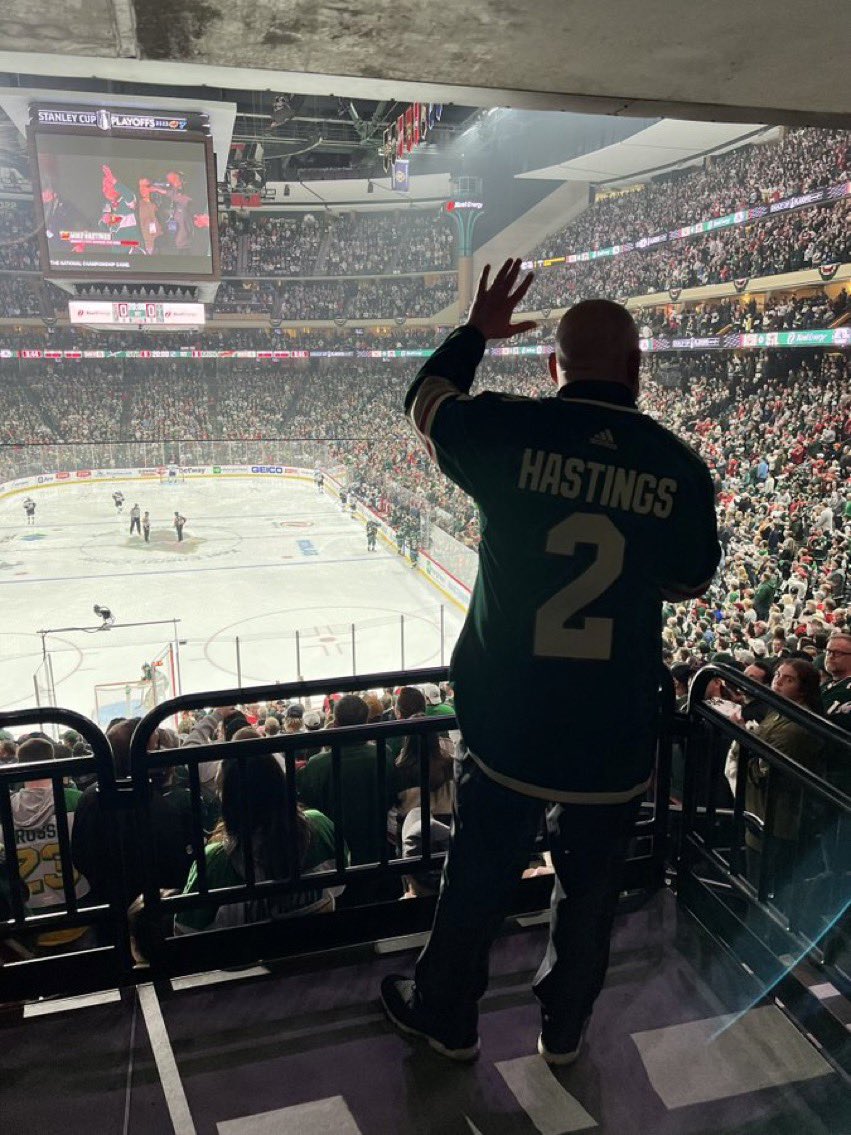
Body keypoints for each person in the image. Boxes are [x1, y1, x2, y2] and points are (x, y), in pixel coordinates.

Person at [380, 260, 720, 1063]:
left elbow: (424, 401)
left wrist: (473, 332)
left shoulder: (508, 428)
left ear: (550, 365)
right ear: (636, 368)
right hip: (612, 727)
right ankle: (562, 1030)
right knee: (591, 891)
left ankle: (447, 1015)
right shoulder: (678, 466)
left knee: (477, 876)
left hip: (510, 719)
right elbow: (688, 579)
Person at [175, 753, 340, 932]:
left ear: (228, 800)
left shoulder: (214, 863)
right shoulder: (320, 828)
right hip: (318, 950)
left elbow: (184, 930)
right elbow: (340, 886)